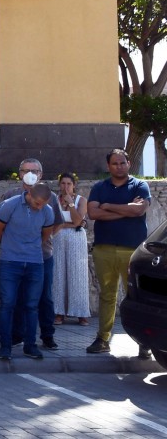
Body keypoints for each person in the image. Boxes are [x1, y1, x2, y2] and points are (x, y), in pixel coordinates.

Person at [86, 149, 151, 355]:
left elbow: (139, 210)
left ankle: (144, 342)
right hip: (103, 249)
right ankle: (103, 338)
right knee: (107, 295)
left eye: (122, 163)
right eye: (115, 163)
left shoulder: (140, 186)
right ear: (108, 166)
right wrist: (126, 210)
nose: (119, 167)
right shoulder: (99, 187)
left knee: (136, 297)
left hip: (132, 251)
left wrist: (108, 206)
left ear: (129, 163)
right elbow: (93, 213)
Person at [0, 159, 64, 350]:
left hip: (42, 256)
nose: (30, 174)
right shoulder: (10, 196)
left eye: (34, 171)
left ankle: (47, 335)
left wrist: (41, 240)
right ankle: (17, 335)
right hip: (15, 258)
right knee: (17, 298)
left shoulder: (50, 197)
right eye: (26, 170)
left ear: (41, 174)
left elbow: (57, 223)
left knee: (44, 297)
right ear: (19, 173)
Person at [0, 183, 56, 361]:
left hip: (35, 262)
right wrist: (10, 246)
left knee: (32, 305)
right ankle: (5, 346)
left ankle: (30, 345)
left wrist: (31, 247)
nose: (39, 207)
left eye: (43, 204)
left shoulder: (47, 211)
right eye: (37, 203)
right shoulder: (9, 205)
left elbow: (46, 234)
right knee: (7, 304)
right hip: (10, 261)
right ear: (28, 194)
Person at [52, 173, 90, 326]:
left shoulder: (81, 200)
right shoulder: (54, 200)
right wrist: (68, 225)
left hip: (76, 239)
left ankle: (80, 312)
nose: (66, 187)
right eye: (63, 183)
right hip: (58, 238)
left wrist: (71, 204)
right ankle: (58, 312)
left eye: (69, 183)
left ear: (74, 185)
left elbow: (78, 221)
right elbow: (53, 223)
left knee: (77, 274)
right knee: (58, 273)